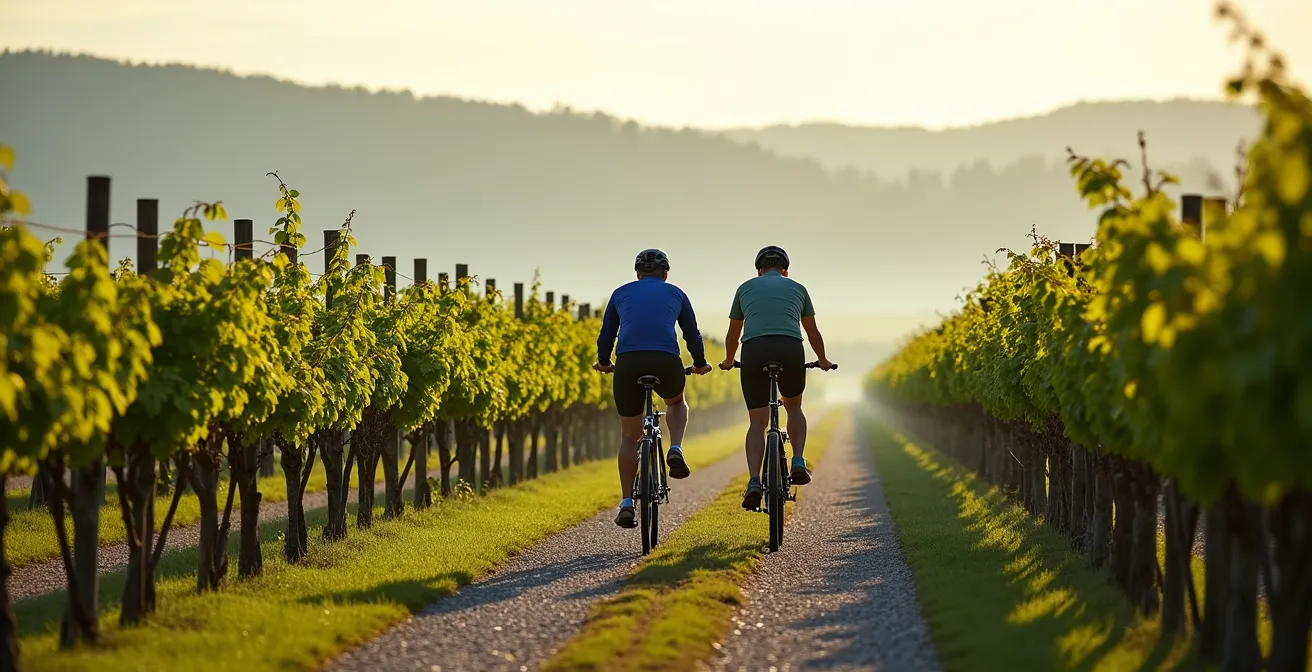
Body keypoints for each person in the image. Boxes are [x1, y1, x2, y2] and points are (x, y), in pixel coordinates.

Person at [595, 248, 713, 528]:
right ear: (666, 274)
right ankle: (675, 447)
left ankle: (626, 502)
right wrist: (700, 363)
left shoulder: (620, 293)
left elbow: (607, 334)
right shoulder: (676, 293)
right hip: (666, 360)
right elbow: (691, 333)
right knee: (675, 402)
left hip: (628, 363)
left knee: (628, 435)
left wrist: (604, 362)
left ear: (637, 274)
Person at [717, 245, 834, 510]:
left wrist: (727, 359)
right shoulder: (798, 288)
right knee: (793, 407)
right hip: (790, 348)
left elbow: (733, 334)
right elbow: (813, 333)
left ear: (759, 271)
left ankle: (755, 481)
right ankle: (799, 461)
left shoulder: (745, 288)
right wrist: (823, 360)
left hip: (754, 351)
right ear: (785, 270)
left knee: (757, 422)